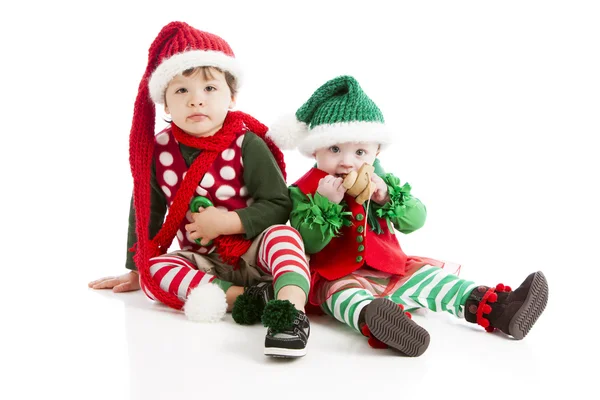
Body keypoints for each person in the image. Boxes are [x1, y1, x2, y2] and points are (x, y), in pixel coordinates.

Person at [267, 75, 549, 357]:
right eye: (335, 149)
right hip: (336, 275)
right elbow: (308, 243)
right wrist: (325, 203)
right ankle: (378, 321)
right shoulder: (305, 189)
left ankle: (500, 309)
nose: (347, 161)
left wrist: (388, 196)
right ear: (315, 149)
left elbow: (416, 221)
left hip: (390, 267)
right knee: (345, 298)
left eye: (360, 151)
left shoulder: (382, 182)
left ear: (377, 151)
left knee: (434, 279)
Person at [88, 21, 311, 358]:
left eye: (209, 89)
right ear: (164, 103)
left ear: (231, 96)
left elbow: (279, 203)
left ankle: (290, 313)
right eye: (181, 91)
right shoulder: (158, 151)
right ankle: (246, 298)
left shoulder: (246, 143)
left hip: (254, 252)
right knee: (157, 271)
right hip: (204, 261)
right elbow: (146, 210)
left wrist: (229, 223)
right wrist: (137, 268)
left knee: (285, 238)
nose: (196, 101)